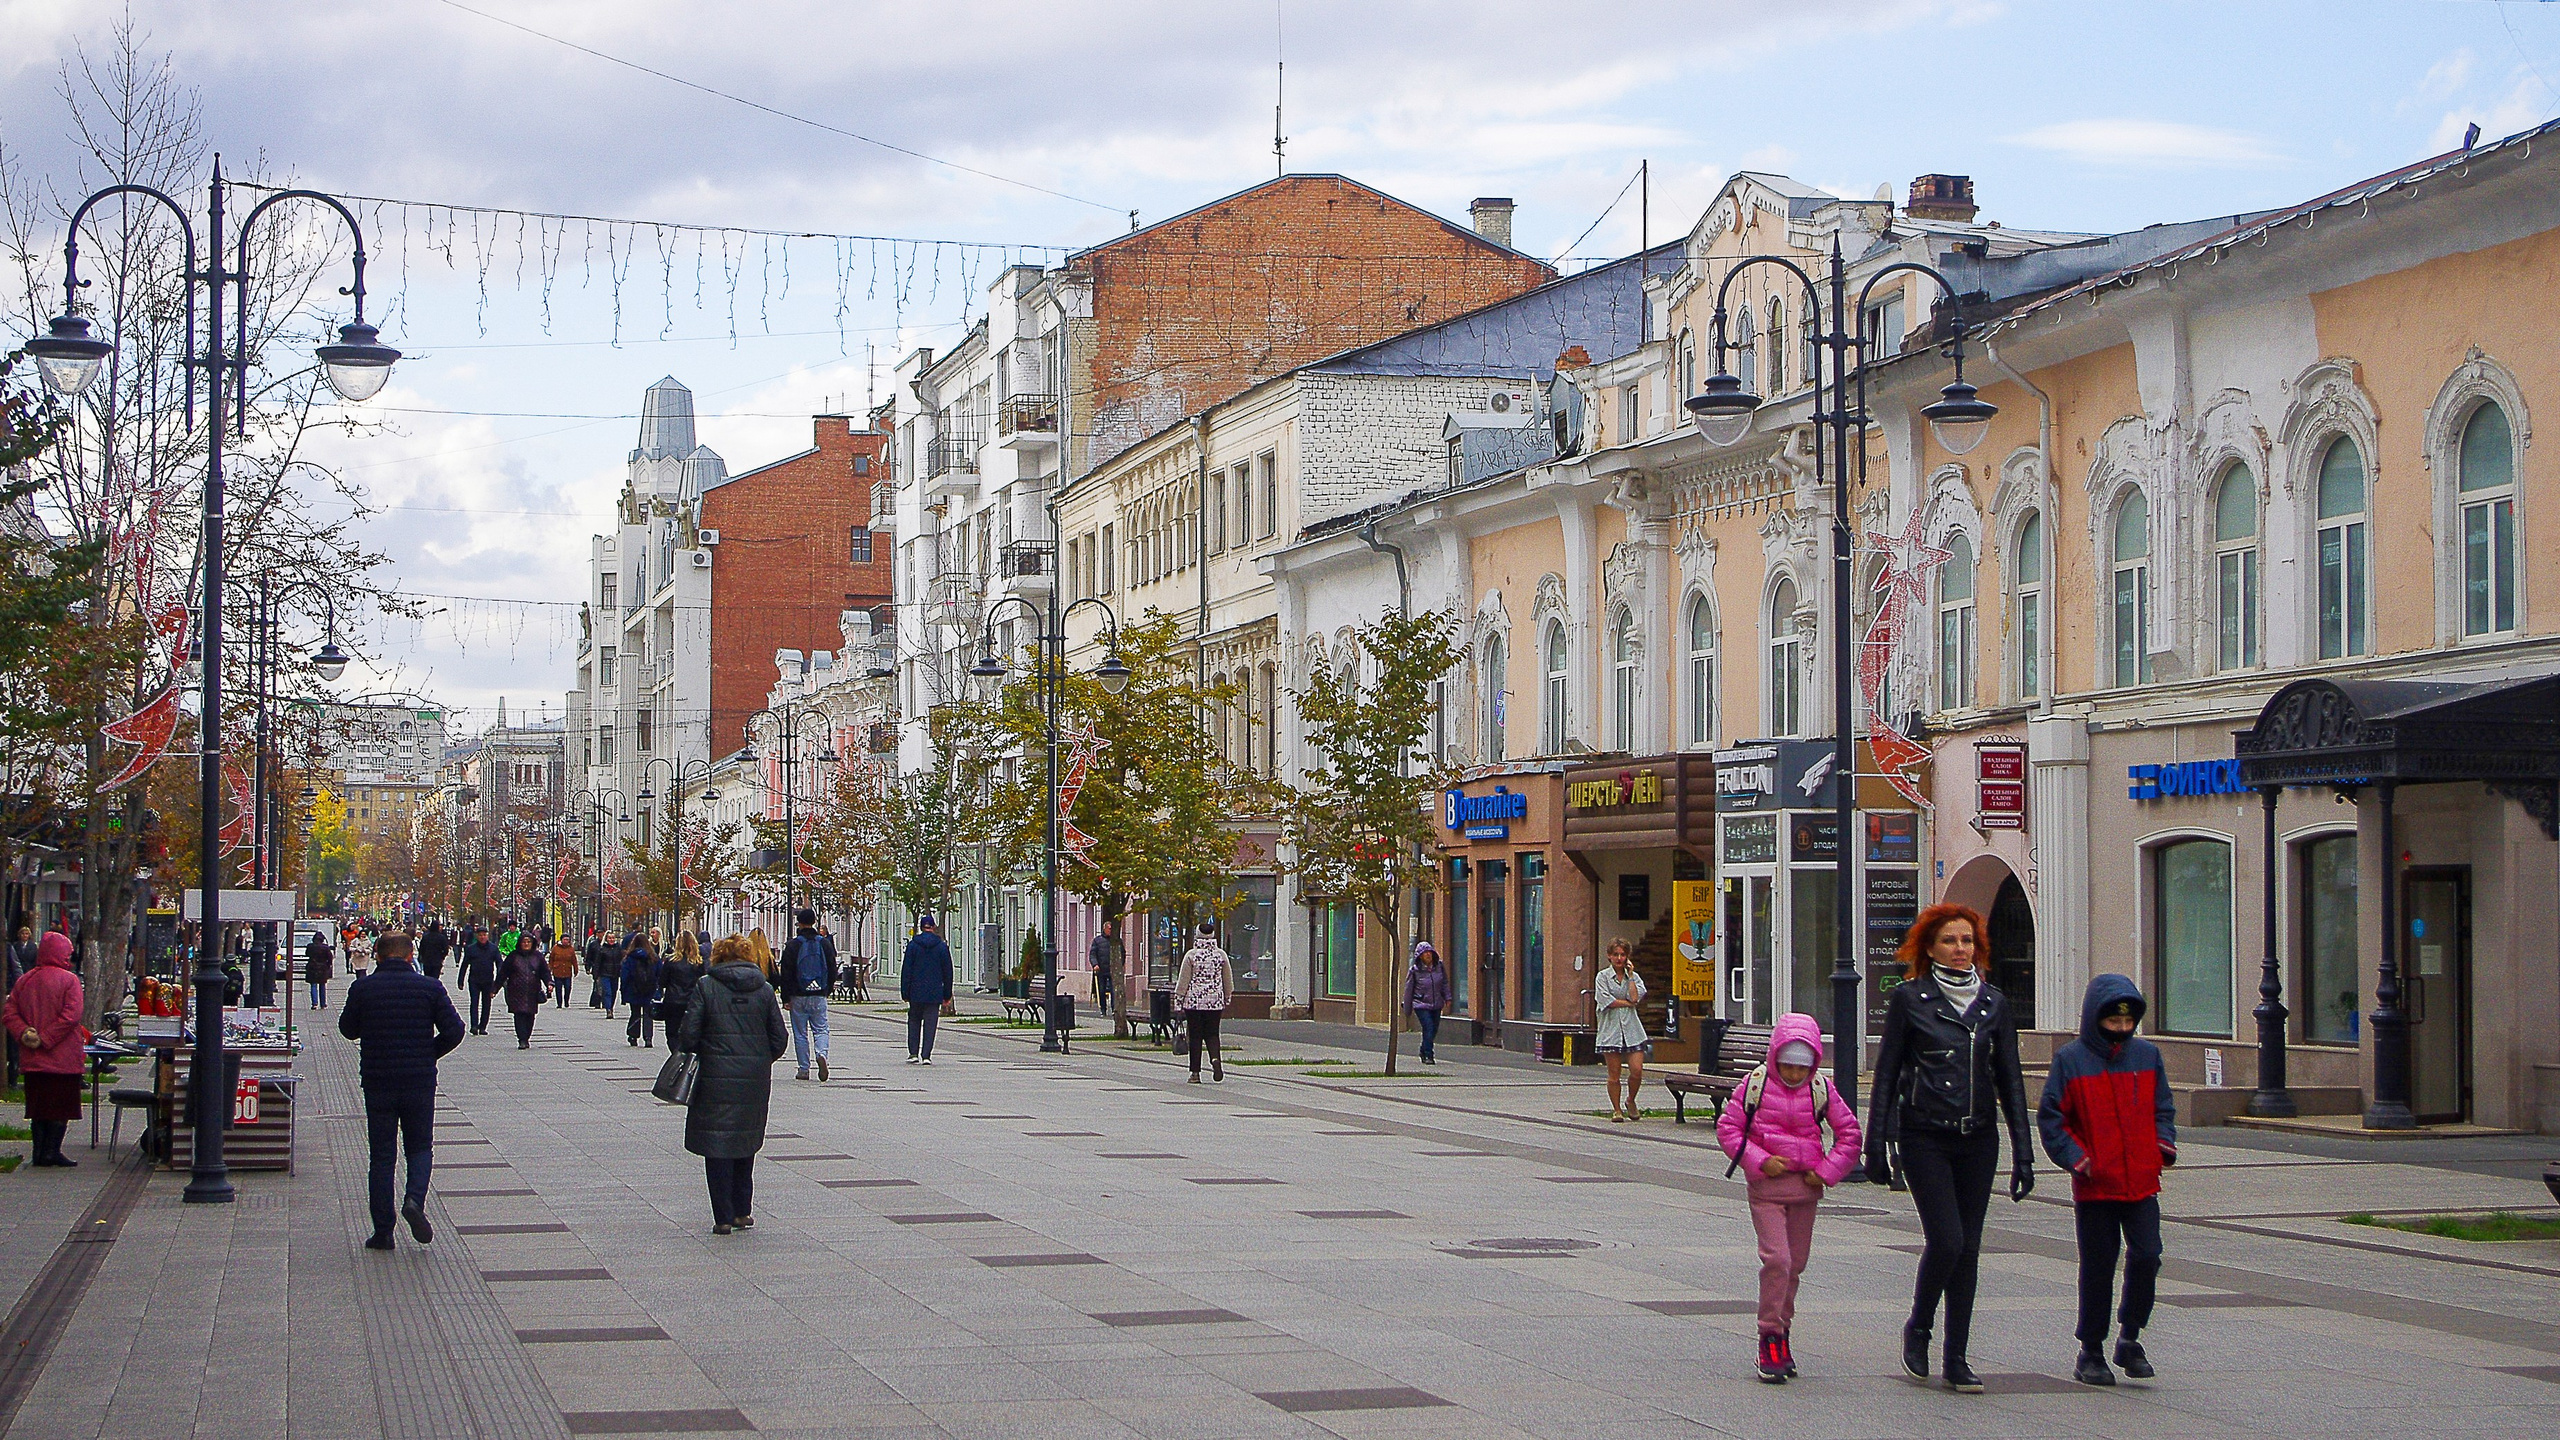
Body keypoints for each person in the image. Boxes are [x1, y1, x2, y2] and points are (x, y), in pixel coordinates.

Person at [1865, 903, 2034, 1394]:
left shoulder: (1993, 1003)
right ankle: (1919, 1325)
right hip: (1925, 1135)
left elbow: (2010, 1081)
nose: (1960, 949)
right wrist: (1876, 1144)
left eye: (1967, 941)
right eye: (1949, 941)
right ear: (1930, 948)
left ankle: (1956, 1357)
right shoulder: (1910, 999)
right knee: (1947, 1240)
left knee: (1970, 1249)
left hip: (1978, 1139)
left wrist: (2024, 1153)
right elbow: (1887, 1073)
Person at [2040, 974, 2176, 1387]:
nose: (2121, 1028)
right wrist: (2078, 1160)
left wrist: (2162, 1145)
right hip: (2096, 1185)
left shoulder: (2147, 1056)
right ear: (2095, 1019)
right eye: (2113, 1021)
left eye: (2128, 1022)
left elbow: (2162, 1108)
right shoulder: (2070, 1060)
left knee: (2148, 1256)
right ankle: (2091, 1349)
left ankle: (2130, 1337)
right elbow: (2052, 1119)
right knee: (2098, 1267)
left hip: (2141, 1182)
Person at [1717, 1013, 1863, 1384]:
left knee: (1794, 1265)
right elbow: (1729, 1129)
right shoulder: (1755, 1085)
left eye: (1802, 1066)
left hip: (1805, 1191)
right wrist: (1761, 1161)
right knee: (1777, 1260)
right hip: (1766, 1190)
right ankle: (1769, 1334)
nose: (1795, 1074)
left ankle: (1783, 1331)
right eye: (1787, 1065)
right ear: (1775, 1058)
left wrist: (1826, 1171)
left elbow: (1850, 1134)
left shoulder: (1821, 1088)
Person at [338, 934, 466, 1250]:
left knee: (382, 1155)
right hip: (418, 1080)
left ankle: (383, 1231)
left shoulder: (363, 988)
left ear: (378, 956)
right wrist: (428, 1053)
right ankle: (414, 1200)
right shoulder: (430, 988)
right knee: (420, 1147)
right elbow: (455, 1029)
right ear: (411, 956)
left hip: (378, 1080)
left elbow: (347, 1029)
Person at [677, 934, 789, 1235]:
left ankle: (723, 1217)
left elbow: (688, 1034)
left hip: (714, 1075)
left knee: (716, 1142)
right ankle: (742, 1211)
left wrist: (704, 1051)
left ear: (718, 956)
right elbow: (779, 1038)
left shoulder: (706, 986)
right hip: (753, 1078)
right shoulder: (764, 990)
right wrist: (759, 1059)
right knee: (745, 1139)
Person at [2, 932, 85, 1168]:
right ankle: (51, 1151)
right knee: (60, 1108)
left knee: (38, 1108)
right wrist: (46, 1038)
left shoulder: (25, 980)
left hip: (33, 1060)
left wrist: (25, 1033)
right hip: (63, 1060)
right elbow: (71, 1016)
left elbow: (9, 1013)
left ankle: (39, 1152)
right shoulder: (69, 981)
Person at [1594, 938, 1650, 1120]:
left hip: (1632, 1030)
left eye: (1623, 955)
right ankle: (1617, 1109)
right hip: (1611, 1031)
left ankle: (1631, 1100)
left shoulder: (1634, 977)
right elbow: (1606, 1001)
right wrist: (1626, 1003)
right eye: (1616, 954)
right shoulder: (1602, 977)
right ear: (1609, 956)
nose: (1619, 958)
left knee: (1637, 1070)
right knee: (1614, 1074)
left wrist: (1631, 976)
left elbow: (1635, 998)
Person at [780, 908, 838, 1082]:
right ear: (814, 922)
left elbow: (786, 973)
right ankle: (821, 1054)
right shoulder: (824, 943)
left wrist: (786, 997)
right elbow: (832, 968)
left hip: (798, 995)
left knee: (800, 1033)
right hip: (819, 994)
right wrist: (827, 989)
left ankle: (804, 1069)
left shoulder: (793, 945)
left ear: (799, 923)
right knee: (821, 1029)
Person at [1175, 920, 1234, 1083]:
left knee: (1195, 1036)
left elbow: (1183, 980)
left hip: (1193, 1002)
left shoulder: (1191, 955)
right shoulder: (1221, 955)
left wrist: (1178, 1000)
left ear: (1197, 935)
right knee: (1213, 1033)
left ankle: (1195, 1073)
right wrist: (1227, 996)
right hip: (1215, 1001)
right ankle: (1215, 1060)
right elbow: (1227, 978)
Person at [900, 914, 951, 1064]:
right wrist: (947, 994)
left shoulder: (913, 945)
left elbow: (906, 970)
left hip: (915, 992)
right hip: (934, 992)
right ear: (933, 927)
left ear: (921, 928)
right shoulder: (941, 946)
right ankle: (926, 1055)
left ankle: (913, 1053)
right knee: (930, 1023)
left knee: (914, 1020)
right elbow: (948, 972)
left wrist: (905, 992)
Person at [1402, 940, 1449, 1065]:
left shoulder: (1439, 966)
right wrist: (1407, 1008)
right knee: (1428, 1027)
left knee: (1434, 1029)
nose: (1428, 955)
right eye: (1425, 953)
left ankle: (1423, 1049)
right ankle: (1428, 1054)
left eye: (1429, 952)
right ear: (1420, 956)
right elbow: (1408, 990)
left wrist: (1447, 997)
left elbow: (1444, 983)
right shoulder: (1415, 970)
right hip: (1421, 1003)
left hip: (1436, 1003)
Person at [658, 931, 704, 1050]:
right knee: (690, 1030)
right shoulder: (698, 963)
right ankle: (686, 1053)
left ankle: (676, 1055)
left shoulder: (670, 962)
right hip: (692, 1001)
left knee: (672, 1033)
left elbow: (662, 982)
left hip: (673, 1001)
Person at [501, 935, 549, 1049]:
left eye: (528, 942)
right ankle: (522, 1039)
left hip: (532, 991)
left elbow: (545, 972)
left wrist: (549, 983)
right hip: (516, 991)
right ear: (520, 943)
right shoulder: (513, 956)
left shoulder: (538, 957)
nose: (526, 944)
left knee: (530, 1015)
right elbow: (503, 973)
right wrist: (494, 988)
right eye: (524, 942)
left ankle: (526, 1037)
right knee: (519, 1015)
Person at [620, 932, 661, 1047]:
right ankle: (648, 1038)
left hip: (633, 990)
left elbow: (624, 976)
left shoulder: (629, 958)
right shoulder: (653, 957)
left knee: (635, 1013)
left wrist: (623, 991)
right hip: (649, 990)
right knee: (648, 1014)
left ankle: (633, 1036)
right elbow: (660, 974)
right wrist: (658, 990)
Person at [459, 925, 501, 1035]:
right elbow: (464, 965)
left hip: (488, 980)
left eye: (484, 935)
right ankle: (474, 1025)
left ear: (487, 936)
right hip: (474, 980)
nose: (482, 937)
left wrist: (498, 983)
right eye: (480, 935)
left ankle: (483, 1026)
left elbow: (499, 965)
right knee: (474, 1002)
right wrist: (460, 980)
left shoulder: (493, 949)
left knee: (486, 1004)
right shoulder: (471, 949)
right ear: (477, 936)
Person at [1087, 917, 1122, 1016]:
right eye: (1109, 929)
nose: (1111, 931)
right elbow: (1092, 954)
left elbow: (1122, 953)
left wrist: (1120, 964)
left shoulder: (1116, 940)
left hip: (1113, 970)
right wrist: (1095, 964)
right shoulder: (1097, 940)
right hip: (1101, 969)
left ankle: (1115, 1009)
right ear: (1105, 929)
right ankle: (1103, 1008)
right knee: (1101, 990)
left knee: (1114, 990)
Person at [304, 928, 337, 1010]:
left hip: (312, 966)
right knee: (322, 985)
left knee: (313, 985)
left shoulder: (310, 946)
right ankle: (323, 1003)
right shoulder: (325, 947)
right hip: (323, 967)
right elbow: (330, 957)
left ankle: (314, 1003)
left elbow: (307, 954)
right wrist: (328, 965)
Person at [547, 933, 576, 1008]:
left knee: (568, 987)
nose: (566, 941)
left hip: (567, 971)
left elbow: (574, 960)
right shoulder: (555, 948)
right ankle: (559, 1003)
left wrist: (576, 969)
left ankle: (566, 1001)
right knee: (558, 988)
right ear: (561, 940)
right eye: (565, 939)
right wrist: (550, 968)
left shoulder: (571, 949)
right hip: (557, 971)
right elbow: (551, 959)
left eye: (567, 940)